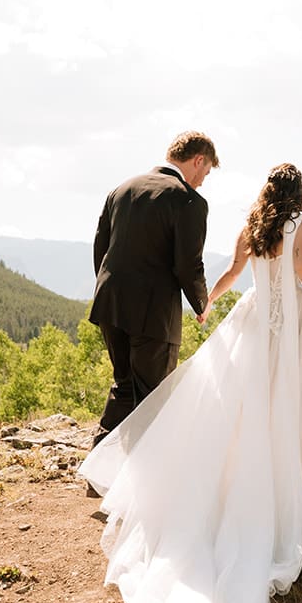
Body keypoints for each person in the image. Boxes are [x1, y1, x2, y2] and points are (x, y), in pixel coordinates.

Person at [79, 164, 302, 603]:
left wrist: (207, 305)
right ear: (299, 193)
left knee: (241, 409)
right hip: (285, 332)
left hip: (254, 322)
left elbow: (231, 274)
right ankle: (286, 485)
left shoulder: (253, 226)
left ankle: (240, 476)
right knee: (288, 403)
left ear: (267, 191)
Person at [88, 131, 219, 453]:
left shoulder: (121, 189)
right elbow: (188, 264)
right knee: (153, 395)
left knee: (124, 385)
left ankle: (99, 471)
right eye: (206, 171)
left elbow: (100, 248)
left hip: (110, 303)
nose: (203, 180)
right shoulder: (189, 200)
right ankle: (143, 483)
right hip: (152, 311)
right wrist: (201, 303)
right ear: (197, 160)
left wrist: (110, 290)